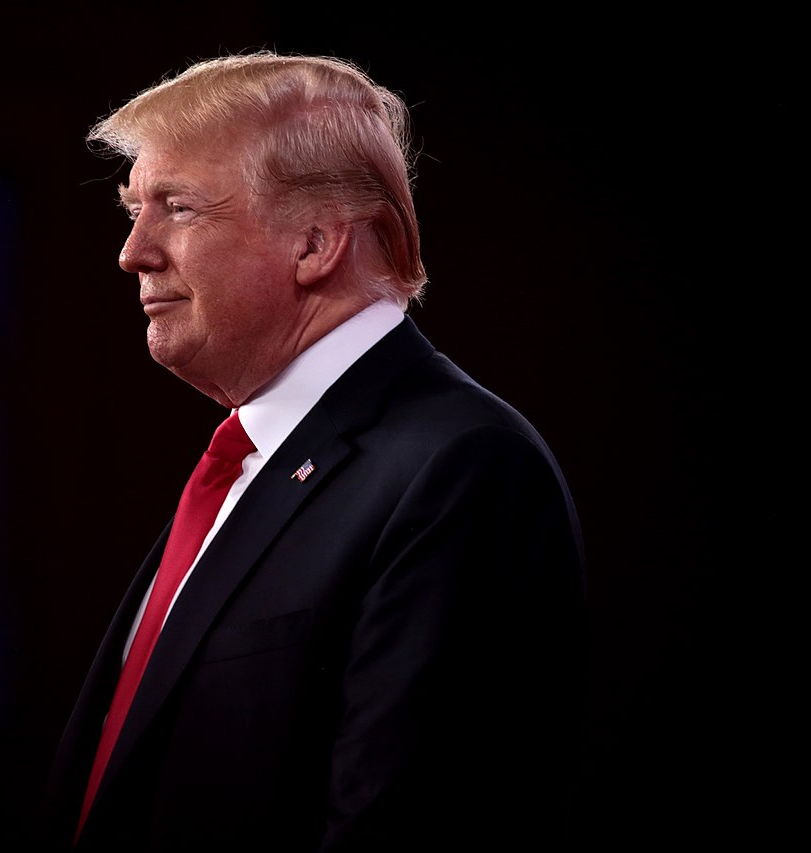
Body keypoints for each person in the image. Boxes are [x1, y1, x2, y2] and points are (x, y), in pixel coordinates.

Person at [39, 51, 586, 852]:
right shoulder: (255, 455)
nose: (134, 251)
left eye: (177, 207)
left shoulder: (460, 468)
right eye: (132, 209)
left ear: (316, 242)